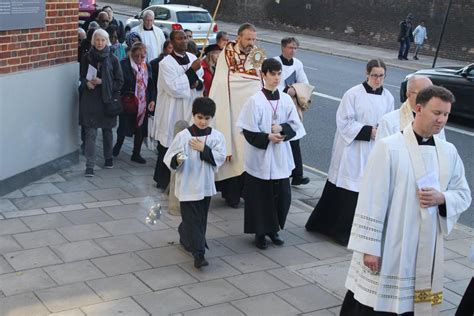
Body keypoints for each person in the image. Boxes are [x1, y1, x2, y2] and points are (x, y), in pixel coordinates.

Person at [341, 85, 471, 316]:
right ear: (418, 108)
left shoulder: (448, 151)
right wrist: (369, 248)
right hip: (391, 241)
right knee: (375, 303)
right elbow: (372, 199)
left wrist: (443, 198)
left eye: (446, 114)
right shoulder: (389, 147)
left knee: (413, 304)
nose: (442, 120)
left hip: (426, 245)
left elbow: (463, 193)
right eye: (436, 112)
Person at [305, 59, 394, 245]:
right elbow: (344, 122)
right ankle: (337, 230)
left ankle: (353, 230)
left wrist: (381, 133)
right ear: (367, 74)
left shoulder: (388, 97)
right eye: (374, 75)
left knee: (363, 190)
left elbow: (389, 122)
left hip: (372, 149)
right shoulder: (353, 94)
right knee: (347, 189)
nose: (378, 80)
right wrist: (369, 131)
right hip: (352, 148)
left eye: (381, 76)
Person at [237, 58, 304, 249]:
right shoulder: (255, 101)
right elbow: (247, 131)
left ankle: (273, 230)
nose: (276, 78)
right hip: (261, 157)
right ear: (263, 75)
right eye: (272, 74)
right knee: (260, 196)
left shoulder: (285, 99)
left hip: (280, 156)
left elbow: (295, 125)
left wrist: (282, 129)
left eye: (278, 74)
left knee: (282, 196)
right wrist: (267, 137)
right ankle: (259, 232)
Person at [164, 97, 226, 268]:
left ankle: (184, 235)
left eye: (207, 118)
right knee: (193, 219)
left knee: (200, 218)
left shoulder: (216, 137)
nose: (202, 122)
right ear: (193, 115)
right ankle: (199, 254)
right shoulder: (183, 136)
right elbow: (169, 157)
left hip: (205, 185)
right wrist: (180, 157)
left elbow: (220, 157)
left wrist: (204, 149)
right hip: (187, 185)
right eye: (199, 117)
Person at [209, 23, 263, 208]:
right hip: (230, 109)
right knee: (234, 152)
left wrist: (246, 82)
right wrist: (244, 82)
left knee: (247, 154)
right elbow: (224, 80)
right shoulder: (228, 52)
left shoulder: (257, 53)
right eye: (248, 39)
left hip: (249, 113)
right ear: (239, 38)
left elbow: (260, 80)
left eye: (254, 39)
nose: (251, 43)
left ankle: (245, 193)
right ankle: (230, 194)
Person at [152, 30, 204, 191]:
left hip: (189, 107)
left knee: (185, 145)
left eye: (186, 38)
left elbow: (199, 81)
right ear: (172, 43)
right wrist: (191, 73)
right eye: (180, 39)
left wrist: (196, 81)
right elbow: (173, 87)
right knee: (168, 145)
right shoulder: (166, 63)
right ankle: (163, 179)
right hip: (172, 110)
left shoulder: (194, 59)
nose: (184, 41)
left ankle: (180, 176)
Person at [79, 29, 124, 177]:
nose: (100, 43)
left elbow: (119, 82)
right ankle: (89, 165)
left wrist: (102, 82)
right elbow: (82, 76)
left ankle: (108, 157)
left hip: (107, 101)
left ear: (107, 42)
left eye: (103, 40)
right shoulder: (87, 57)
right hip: (91, 100)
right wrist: (87, 83)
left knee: (107, 131)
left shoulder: (113, 59)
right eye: (97, 40)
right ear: (93, 41)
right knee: (90, 133)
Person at [274, 37, 310, 186]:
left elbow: (304, 83)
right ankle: (283, 173)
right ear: (283, 48)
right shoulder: (275, 62)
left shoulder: (298, 64)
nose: (293, 51)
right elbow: (270, 81)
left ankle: (297, 175)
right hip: (278, 104)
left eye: (295, 48)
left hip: (292, 105)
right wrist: (284, 90)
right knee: (283, 139)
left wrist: (295, 89)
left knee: (295, 139)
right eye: (290, 47)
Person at [112, 42, 156, 164]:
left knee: (140, 128)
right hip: (128, 100)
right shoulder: (124, 64)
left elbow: (151, 85)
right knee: (123, 127)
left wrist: (152, 99)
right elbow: (120, 82)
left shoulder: (146, 66)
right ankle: (117, 147)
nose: (139, 59)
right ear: (131, 53)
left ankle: (136, 153)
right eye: (136, 56)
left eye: (142, 56)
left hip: (142, 102)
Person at [376, 75, 446, 142]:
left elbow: (442, 148)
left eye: (431, 94)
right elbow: (381, 152)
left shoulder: (436, 122)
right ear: (408, 94)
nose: (428, 98)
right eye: (423, 93)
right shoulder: (389, 122)